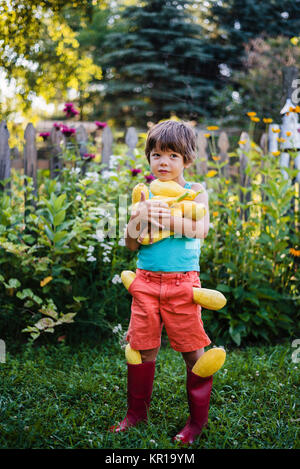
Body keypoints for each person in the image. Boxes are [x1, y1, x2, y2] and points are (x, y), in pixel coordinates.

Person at [110, 120, 212, 444]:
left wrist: (168, 217)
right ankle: (135, 414)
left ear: (187, 159)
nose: (163, 162)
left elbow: (200, 229)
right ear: (149, 158)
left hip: (183, 283)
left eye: (171, 155)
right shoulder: (144, 193)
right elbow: (130, 244)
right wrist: (138, 218)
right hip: (146, 281)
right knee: (142, 348)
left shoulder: (195, 192)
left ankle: (195, 423)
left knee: (193, 350)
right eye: (156, 155)